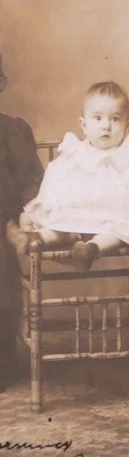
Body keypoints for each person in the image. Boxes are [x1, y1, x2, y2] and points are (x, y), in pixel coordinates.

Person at [13, 81, 129, 272]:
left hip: (115, 216)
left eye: (115, 119)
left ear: (127, 126)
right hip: (78, 214)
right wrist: (41, 207)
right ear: (84, 125)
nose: (106, 126)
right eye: (98, 118)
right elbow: (56, 179)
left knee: (118, 232)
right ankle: (38, 238)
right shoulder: (76, 152)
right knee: (60, 226)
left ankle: (91, 250)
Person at [0, 55, 44, 392]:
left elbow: (31, 179)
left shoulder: (9, 130)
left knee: (3, 278)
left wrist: (29, 210)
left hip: (3, 219)